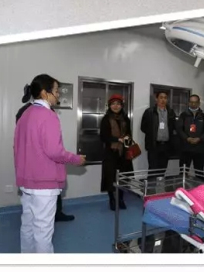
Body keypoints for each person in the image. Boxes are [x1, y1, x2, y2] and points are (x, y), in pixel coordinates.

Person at [14, 75, 85, 253]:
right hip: (44, 184)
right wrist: (76, 159)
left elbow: (17, 148)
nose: (58, 95)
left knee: (28, 225)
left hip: (27, 182)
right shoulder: (48, 116)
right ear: (45, 93)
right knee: (43, 231)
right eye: (56, 91)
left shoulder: (25, 114)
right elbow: (54, 151)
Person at [100, 94, 133, 211]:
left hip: (123, 153)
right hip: (110, 152)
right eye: (113, 104)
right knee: (110, 177)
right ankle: (112, 199)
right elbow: (103, 137)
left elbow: (129, 134)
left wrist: (128, 144)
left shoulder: (126, 119)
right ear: (109, 105)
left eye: (118, 104)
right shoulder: (106, 119)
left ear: (121, 106)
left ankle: (121, 198)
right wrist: (118, 139)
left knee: (123, 177)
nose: (116, 106)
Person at [140, 90, 177, 178]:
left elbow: (174, 127)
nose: (163, 100)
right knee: (152, 169)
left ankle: (160, 186)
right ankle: (151, 187)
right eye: (161, 97)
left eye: (165, 98)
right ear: (156, 99)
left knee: (162, 170)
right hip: (154, 145)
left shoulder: (171, 112)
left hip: (166, 145)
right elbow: (143, 127)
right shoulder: (149, 112)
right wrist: (152, 134)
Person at [177, 94, 204, 178]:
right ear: (188, 103)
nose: (193, 104)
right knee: (183, 173)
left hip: (199, 149)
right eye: (191, 102)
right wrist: (187, 138)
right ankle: (182, 187)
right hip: (185, 148)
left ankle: (200, 186)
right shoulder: (183, 115)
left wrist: (199, 139)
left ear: (199, 103)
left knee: (199, 173)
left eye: (195, 102)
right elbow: (179, 129)